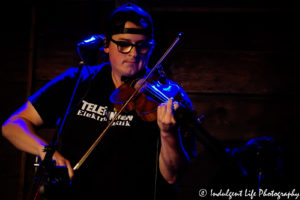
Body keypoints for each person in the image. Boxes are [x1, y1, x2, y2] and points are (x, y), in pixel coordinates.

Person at [2, 3, 195, 200]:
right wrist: (47, 153)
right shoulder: (78, 80)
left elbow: (171, 177)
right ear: (106, 46)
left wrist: (168, 133)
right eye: (123, 44)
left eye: (142, 45)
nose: (133, 53)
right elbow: (13, 125)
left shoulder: (169, 98)